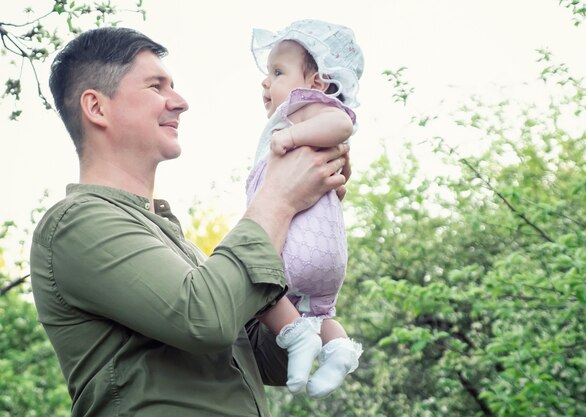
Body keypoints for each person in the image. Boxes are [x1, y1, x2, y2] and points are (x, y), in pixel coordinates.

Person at [29, 26, 350, 417]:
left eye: (173, 87)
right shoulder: (76, 224)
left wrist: (310, 216)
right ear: (97, 108)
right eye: (156, 87)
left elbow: (269, 358)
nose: (179, 102)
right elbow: (204, 318)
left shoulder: (182, 249)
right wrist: (279, 198)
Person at [246, 19, 364, 399]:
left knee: (255, 286)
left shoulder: (305, 109)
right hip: (327, 254)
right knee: (321, 315)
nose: (267, 82)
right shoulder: (296, 120)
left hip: (296, 251)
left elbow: (342, 122)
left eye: (278, 72)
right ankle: (339, 349)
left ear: (318, 82)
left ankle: (298, 340)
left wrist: (292, 135)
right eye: (267, 73)